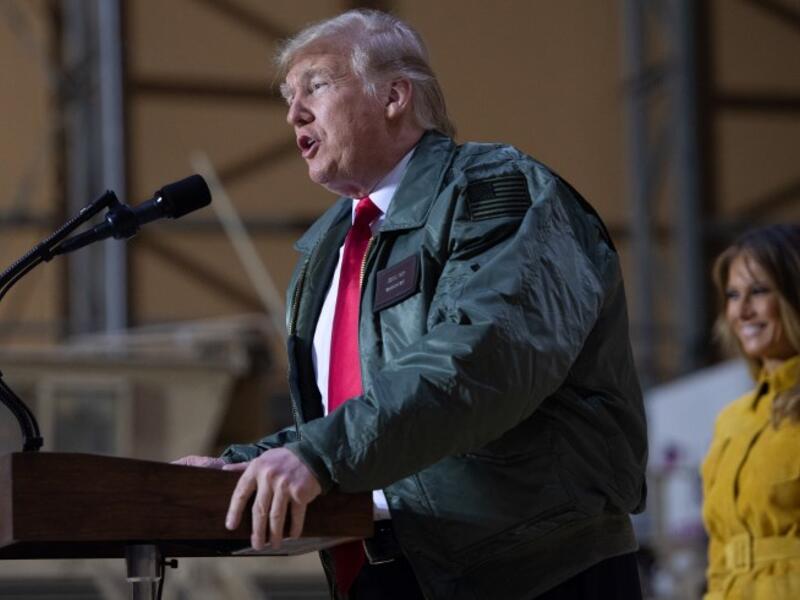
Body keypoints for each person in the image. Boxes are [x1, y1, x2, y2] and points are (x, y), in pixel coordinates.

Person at [177, 9, 647, 599]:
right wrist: (242, 466)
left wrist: (317, 456)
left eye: (316, 85)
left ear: (394, 95)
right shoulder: (328, 248)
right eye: (287, 96)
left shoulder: (496, 191)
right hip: (382, 569)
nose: (293, 113)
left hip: (530, 570)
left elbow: (483, 360)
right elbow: (350, 411)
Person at [702, 224, 800, 599]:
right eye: (732, 295)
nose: (742, 311)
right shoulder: (731, 420)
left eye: (758, 291)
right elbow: (719, 551)